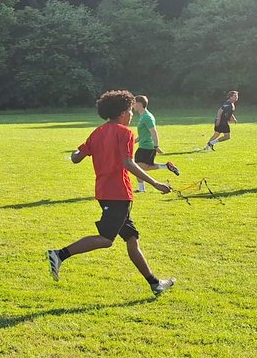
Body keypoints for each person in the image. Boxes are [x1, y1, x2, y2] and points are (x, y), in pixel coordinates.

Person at [47, 90, 176, 296]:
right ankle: (59, 254)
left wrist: (74, 152)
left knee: (131, 238)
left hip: (105, 192)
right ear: (122, 112)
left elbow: (76, 158)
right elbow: (128, 163)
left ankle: (154, 283)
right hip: (118, 194)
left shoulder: (97, 132)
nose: (132, 115)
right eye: (130, 111)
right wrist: (155, 183)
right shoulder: (125, 133)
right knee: (106, 239)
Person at [131, 95, 180, 192]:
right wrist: (132, 142)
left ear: (139, 104)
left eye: (134, 103)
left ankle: (165, 167)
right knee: (142, 167)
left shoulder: (147, 117)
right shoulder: (143, 116)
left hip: (147, 146)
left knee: (139, 167)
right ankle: (141, 189)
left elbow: (154, 132)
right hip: (144, 145)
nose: (133, 105)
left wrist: (156, 146)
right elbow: (142, 135)